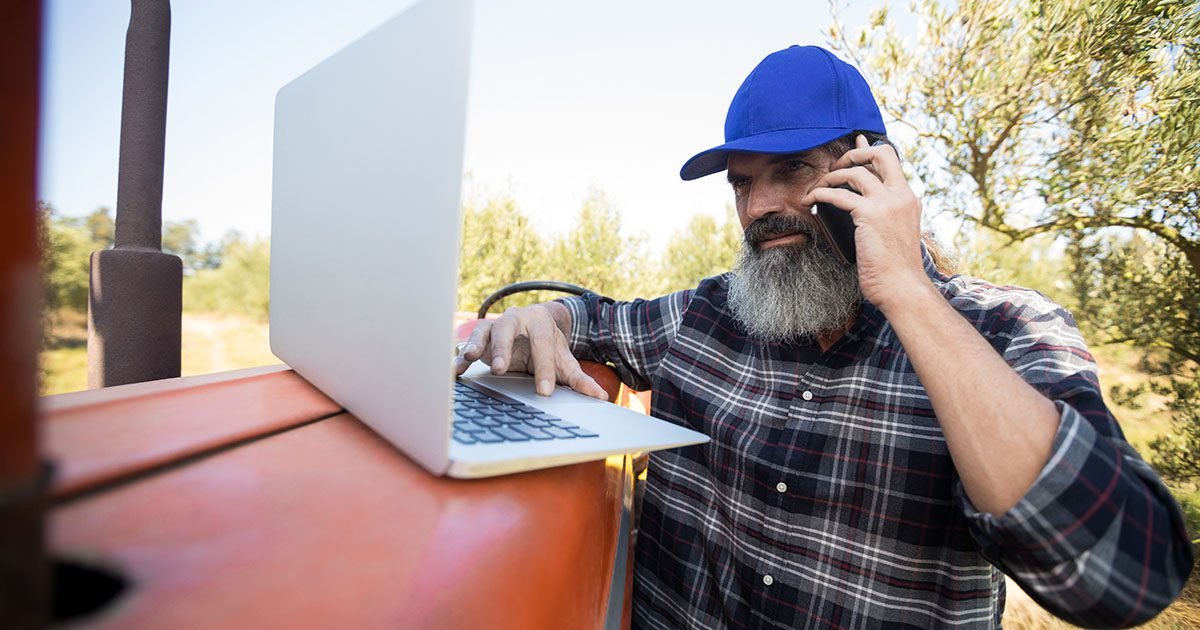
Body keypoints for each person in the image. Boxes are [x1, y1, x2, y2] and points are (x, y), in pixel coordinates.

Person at [454, 45, 1194, 628]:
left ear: (874, 171)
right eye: (742, 183)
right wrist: (544, 318)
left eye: (792, 170)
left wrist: (906, 289)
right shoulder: (705, 316)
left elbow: (1118, 577)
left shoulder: (1005, 330)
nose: (761, 207)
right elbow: (596, 318)